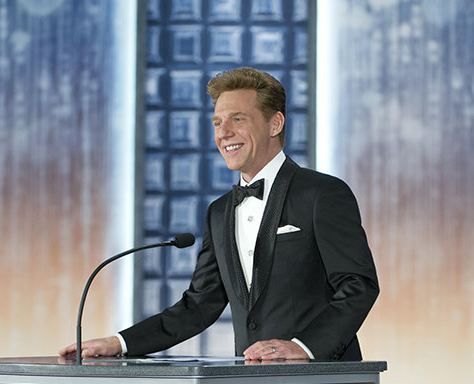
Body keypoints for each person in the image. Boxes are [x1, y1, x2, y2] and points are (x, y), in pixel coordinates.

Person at [59, 67, 379, 362]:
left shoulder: (322, 194)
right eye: (217, 123)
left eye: (237, 119)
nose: (223, 132)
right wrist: (120, 343)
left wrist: (304, 346)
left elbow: (359, 285)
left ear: (275, 124)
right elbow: (198, 306)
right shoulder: (219, 211)